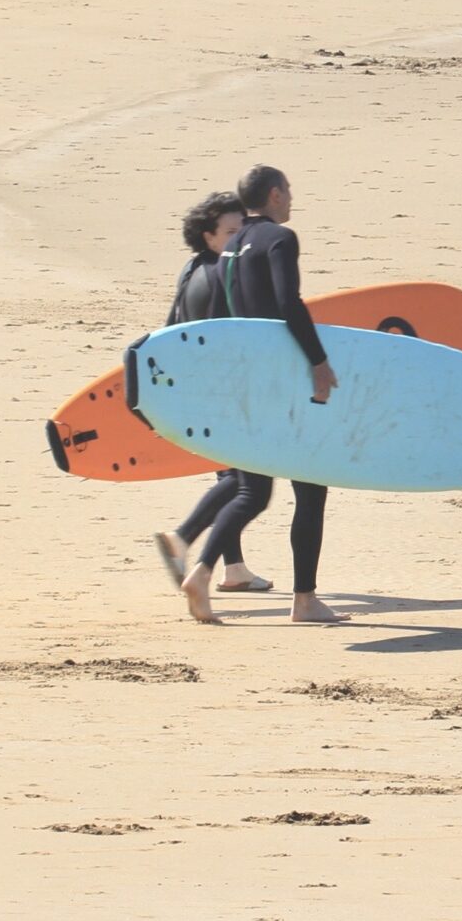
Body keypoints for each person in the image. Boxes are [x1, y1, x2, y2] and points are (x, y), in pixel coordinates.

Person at [190, 163, 346, 625]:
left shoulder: (233, 244)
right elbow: (287, 303)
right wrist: (318, 362)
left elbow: (225, 313)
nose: (291, 199)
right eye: (289, 190)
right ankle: (305, 600)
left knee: (250, 487)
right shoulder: (281, 239)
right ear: (276, 195)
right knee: (311, 486)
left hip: (246, 383)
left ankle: (201, 571)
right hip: (284, 382)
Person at [151, 191, 276, 604]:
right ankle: (184, 541)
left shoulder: (190, 271)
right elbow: (248, 334)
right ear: (209, 236)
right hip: (230, 393)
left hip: (198, 393)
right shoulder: (227, 274)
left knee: (234, 478)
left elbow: (170, 328)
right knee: (248, 486)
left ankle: (233, 568)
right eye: (231, 232)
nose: (240, 238)